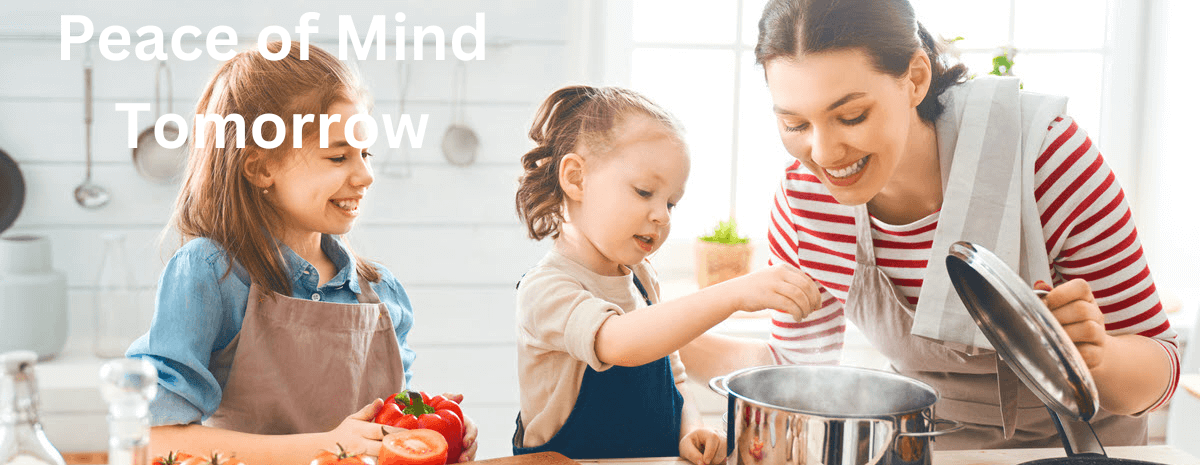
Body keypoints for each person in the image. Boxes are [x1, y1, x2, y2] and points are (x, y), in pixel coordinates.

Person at [679, 0, 1181, 449]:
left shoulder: (1045, 159)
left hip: (1083, 449)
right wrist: (655, 336)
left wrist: (1099, 356)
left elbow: (1162, 374)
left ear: (915, 79)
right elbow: (796, 371)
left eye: (851, 116)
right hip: (933, 448)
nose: (824, 153)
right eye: (794, 124)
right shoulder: (806, 201)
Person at [126, 42, 477, 465]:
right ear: (260, 168)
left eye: (366, 153)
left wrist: (430, 432)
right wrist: (327, 447)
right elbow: (155, 439)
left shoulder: (383, 293)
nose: (365, 174)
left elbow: (387, 433)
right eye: (337, 156)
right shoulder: (212, 273)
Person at [511, 85, 819, 463]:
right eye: (644, 192)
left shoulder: (641, 277)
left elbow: (673, 378)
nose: (662, 215)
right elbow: (620, 343)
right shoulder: (546, 290)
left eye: (671, 202)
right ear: (576, 179)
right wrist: (735, 293)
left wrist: (691, 427)